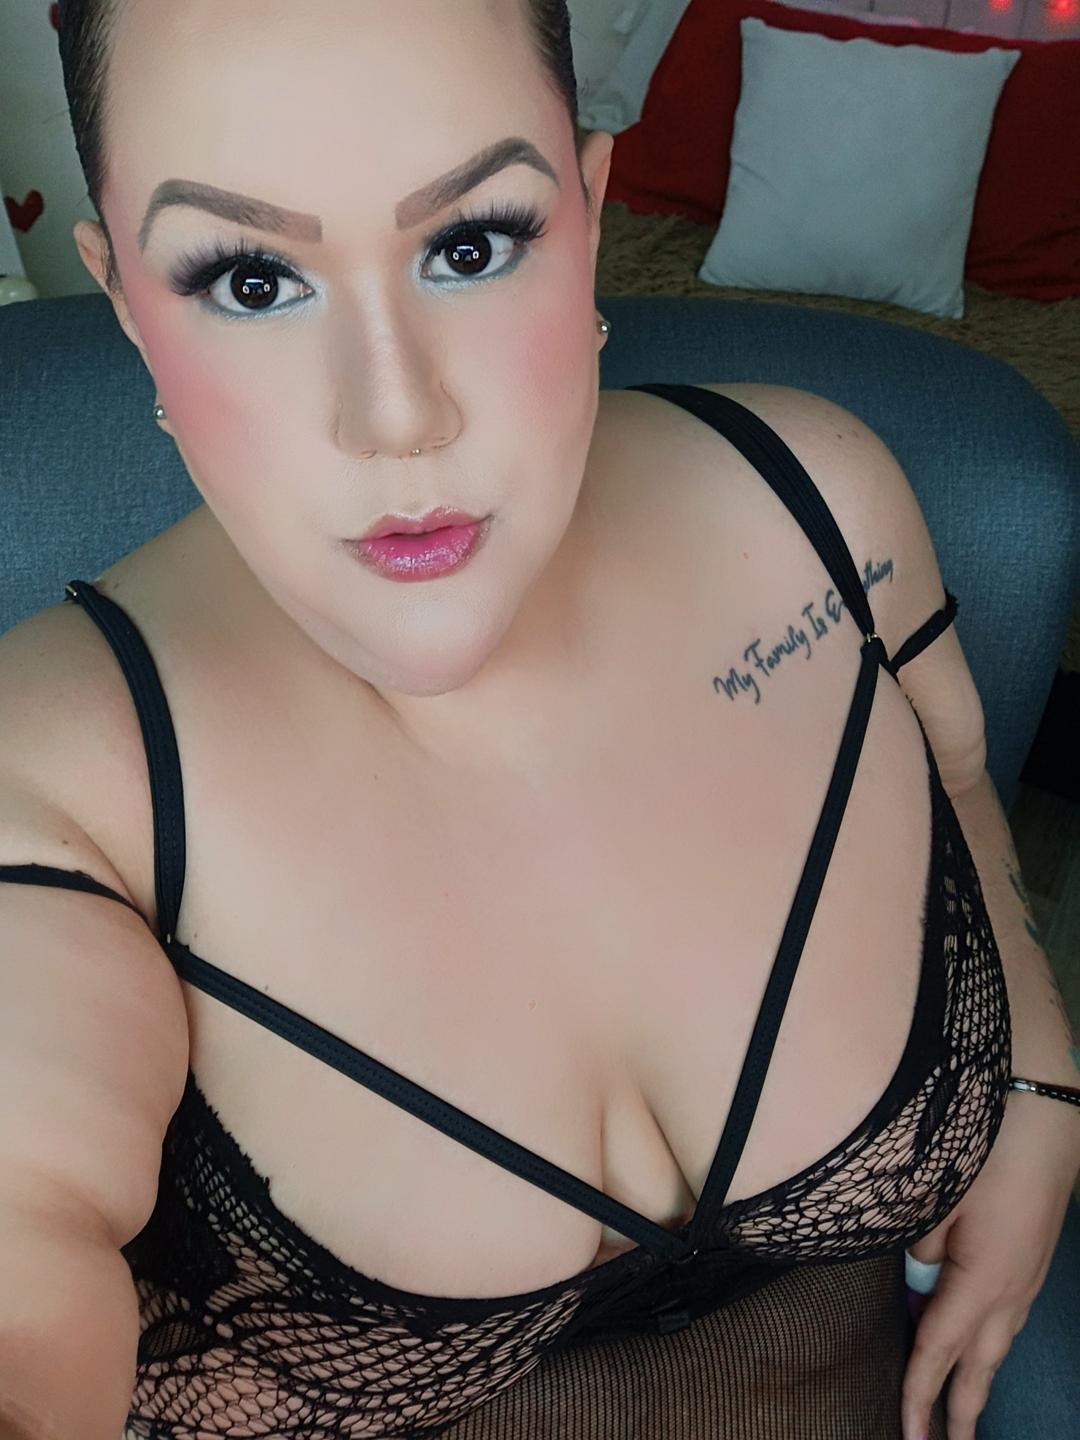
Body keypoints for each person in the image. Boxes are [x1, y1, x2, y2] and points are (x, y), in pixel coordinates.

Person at [0, 2, 1077, 1438]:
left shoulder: (821, 505)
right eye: (252, 280)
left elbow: (953, 766)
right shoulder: (46, 792)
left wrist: (1040, 1082)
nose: (399, 417)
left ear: (588, 210)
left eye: (470, 246)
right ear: (130, 305)